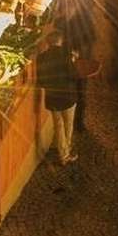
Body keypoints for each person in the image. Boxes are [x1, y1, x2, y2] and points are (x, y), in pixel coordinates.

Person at [35, 31, 79, 165]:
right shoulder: (66, 55)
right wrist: (73, 61)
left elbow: (41, 81)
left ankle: (63, 153)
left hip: (52, 97)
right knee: (68, 124)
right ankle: (67, 149)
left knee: (58, 125)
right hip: (68, 95)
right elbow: (74, 75)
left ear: (48, 43)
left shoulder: (41, 58)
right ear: (60, 41)